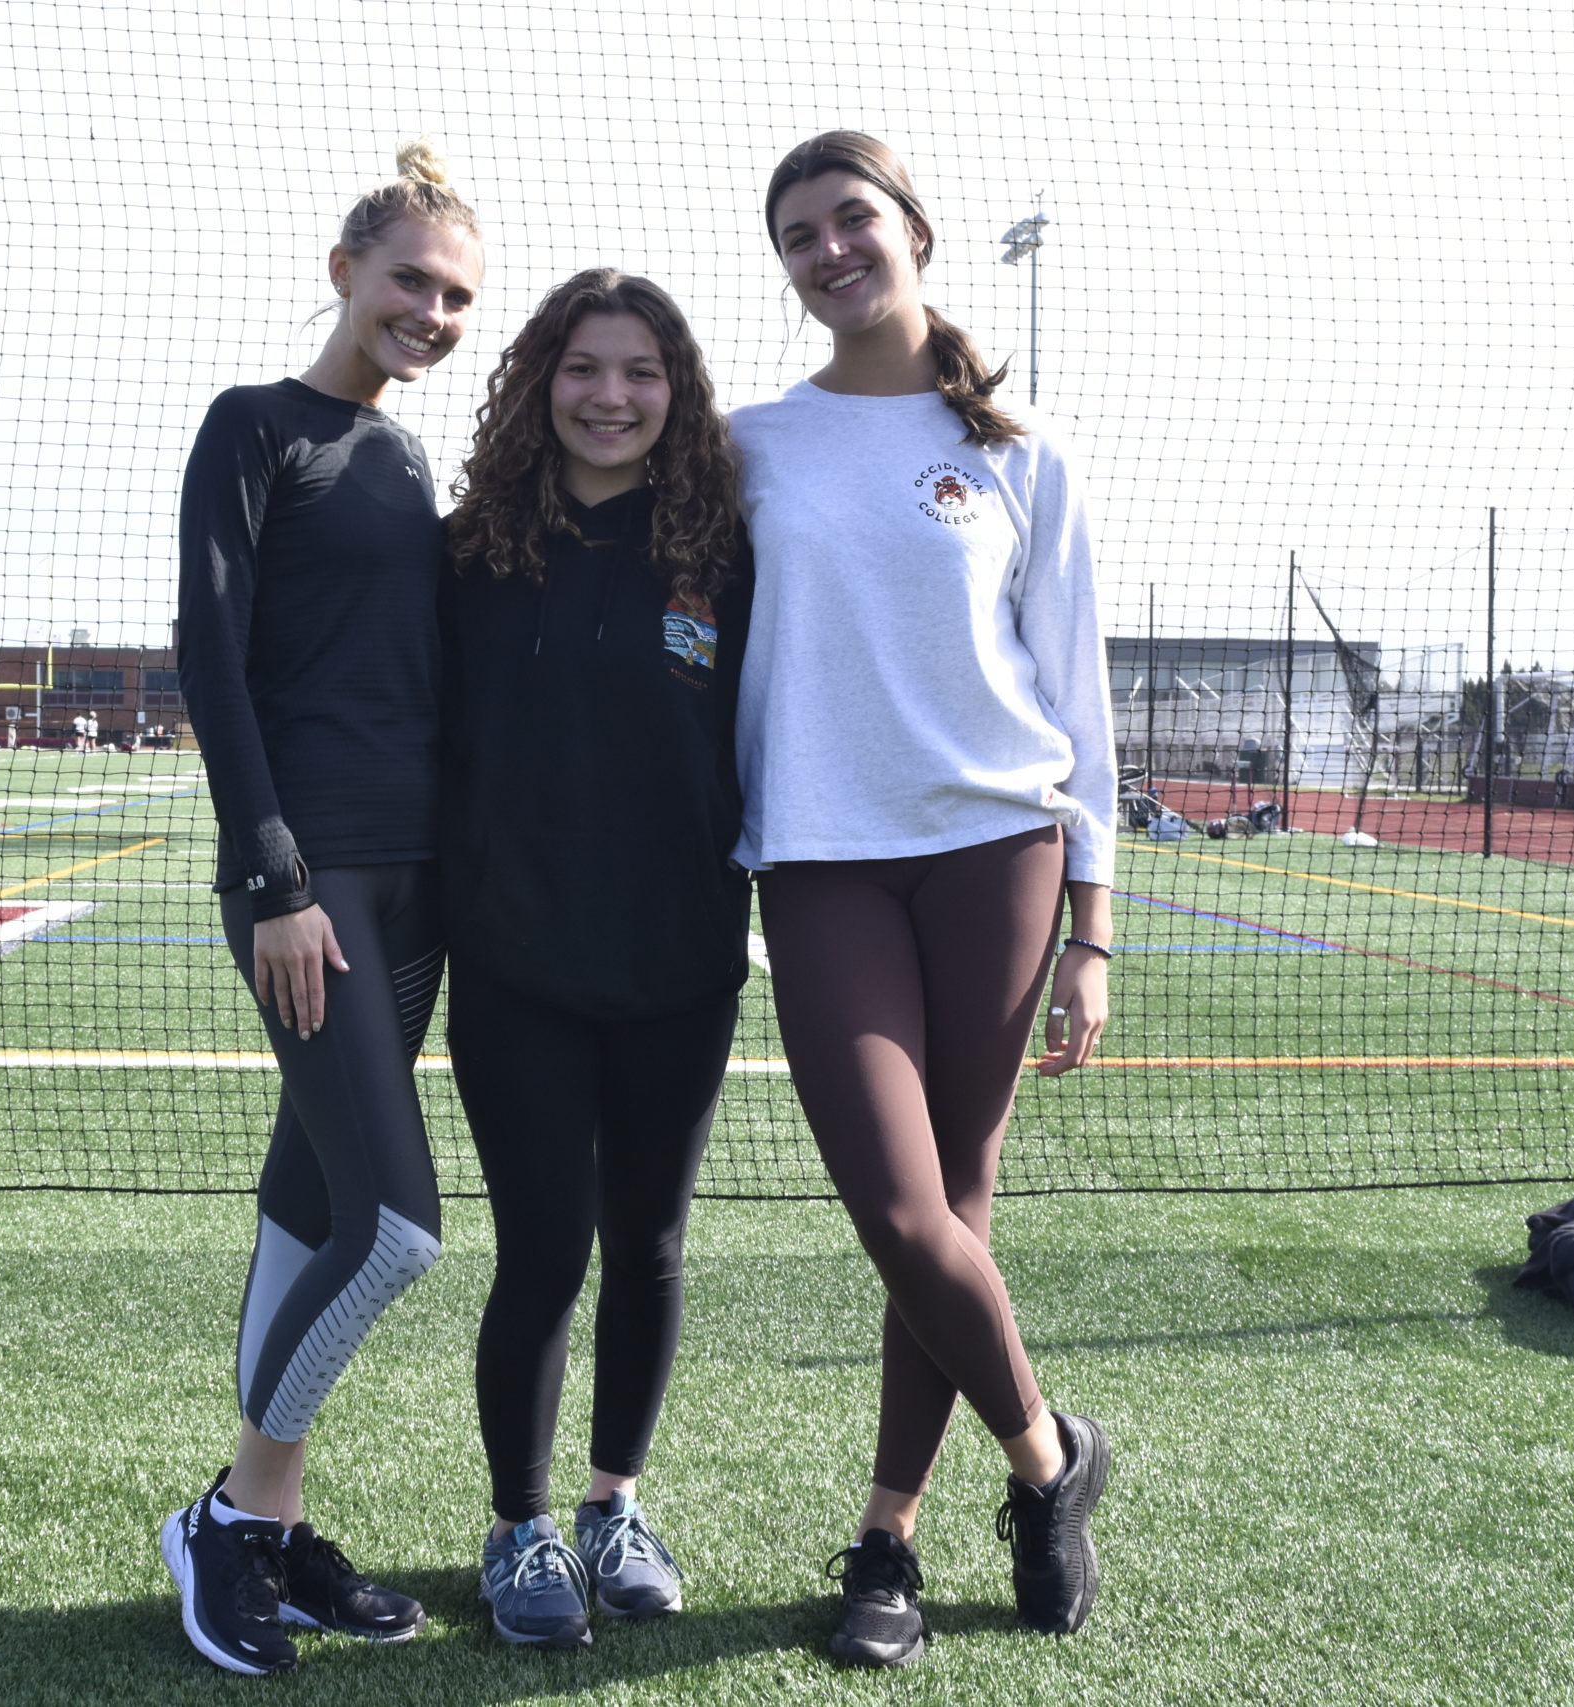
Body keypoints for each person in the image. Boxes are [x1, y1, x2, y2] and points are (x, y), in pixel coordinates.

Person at [736, 132, 1119, 1666]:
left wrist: (1094, 926)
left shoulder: (1023, 458)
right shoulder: (747, 443)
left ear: (915, 232)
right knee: (903, 1213)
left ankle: (886, 1538)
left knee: (951, 1210)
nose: (828, 250)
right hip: (819, 860)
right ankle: (1051, 1464)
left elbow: (1078, 704)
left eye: (851, 220)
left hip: (998, 861)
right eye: (798, 236)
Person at [159, 139, 483, 1679]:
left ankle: (270, 1537)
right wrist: (275, 876)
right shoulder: (253, 428)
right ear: (344, 268)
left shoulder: (412, 462)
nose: (433, 310)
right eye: (412, 279)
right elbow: (211, 662)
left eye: (458, 296)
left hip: (416, 891)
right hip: (312, 886)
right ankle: (231, 1516)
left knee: (309, 1204)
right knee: (400, 1231)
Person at [439, 269, 752, 1648]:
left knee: (652, 1244)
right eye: (583, 368)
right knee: (544, 1251)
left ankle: (612, 1504)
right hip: (515, 964)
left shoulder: (728, 556)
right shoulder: (470, 553)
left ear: (674, 392)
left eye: (640, 372)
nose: (611, 396)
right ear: (537, 382)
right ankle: (520, 1529)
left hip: (682, 965)